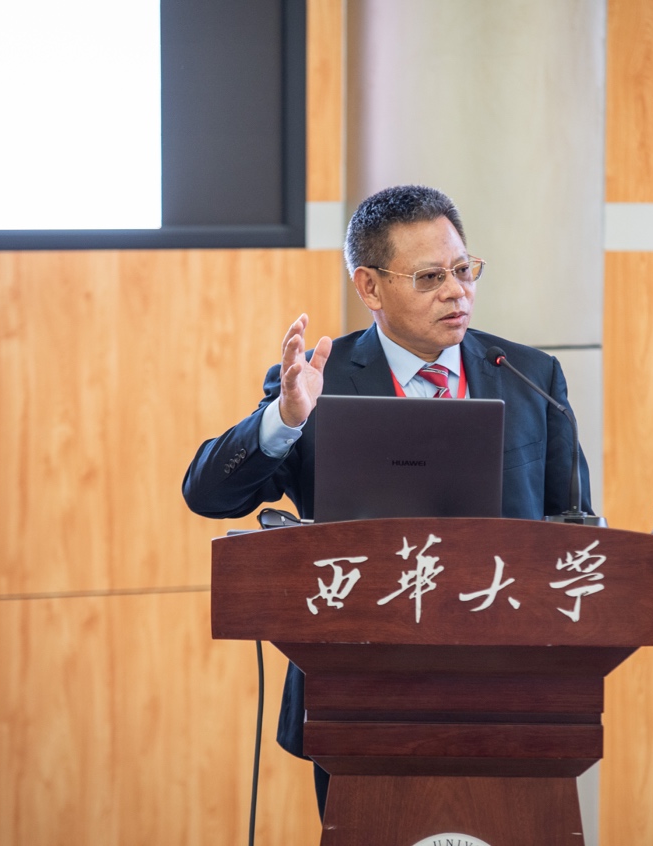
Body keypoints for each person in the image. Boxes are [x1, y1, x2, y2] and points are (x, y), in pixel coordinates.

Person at [182, 184, 594, 818]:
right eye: (431, 277)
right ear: (369, 287)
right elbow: (208, 494)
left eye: (464, 270)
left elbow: (573, 530)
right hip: (357, 694)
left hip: (510, 691)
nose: (457, 292)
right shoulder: (317, 381)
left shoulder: (530, 377)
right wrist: (284, 418)